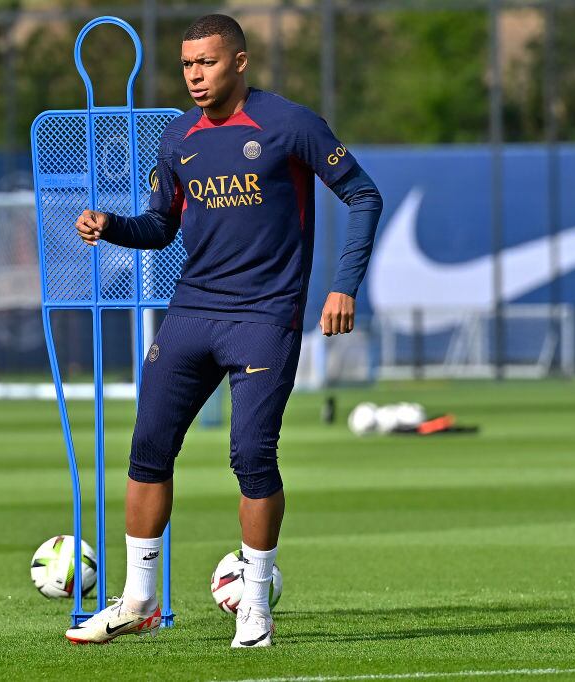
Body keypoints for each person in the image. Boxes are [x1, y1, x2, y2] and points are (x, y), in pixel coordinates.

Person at [65, 13, 383, 648]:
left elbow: (364, 195)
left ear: (240, 61)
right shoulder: (178, 136)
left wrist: (343, 285)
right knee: (147, 451)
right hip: (190, 313)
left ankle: (257, 607)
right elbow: (161, 227)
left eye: (206, 63)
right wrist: (113, 224)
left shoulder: (290, 124)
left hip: (265, 317)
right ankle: (139, 600)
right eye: (187, 65)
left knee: (250, 457)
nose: (194, 76)